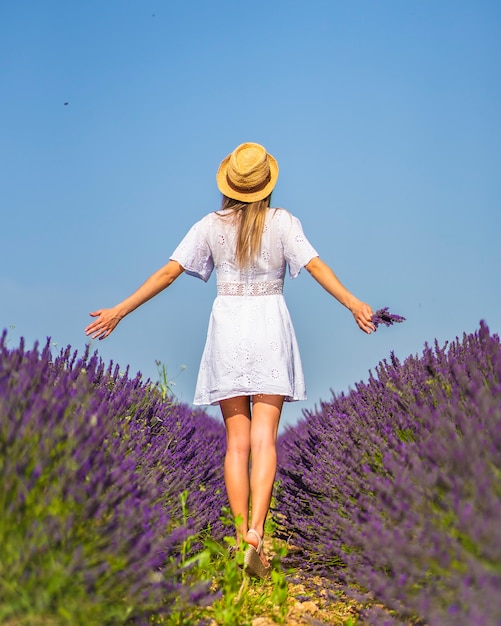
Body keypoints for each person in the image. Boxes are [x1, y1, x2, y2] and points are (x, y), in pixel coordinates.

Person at [85, 142, 375, 579]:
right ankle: (258, 532)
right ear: (267, 185)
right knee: (264, 441)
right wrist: (354, 303)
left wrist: (119, 310)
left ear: (230, 185)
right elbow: (315, 266)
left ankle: (241, 538)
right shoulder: (283, 223)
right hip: (269, 328)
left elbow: (169, 272)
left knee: (235, 444)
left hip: (228, 329)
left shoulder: (210, 226)